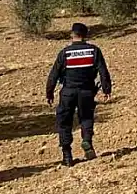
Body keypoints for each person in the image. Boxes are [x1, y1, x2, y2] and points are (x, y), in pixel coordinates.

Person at [46, 22, 112, 167]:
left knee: (64, 122)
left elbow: (54, 75)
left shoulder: (65, 53)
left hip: (68, 92)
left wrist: (49, 93)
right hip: (87, 91)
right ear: (85, 35)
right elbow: (103, 71)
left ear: (72, 35)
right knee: (87, 117)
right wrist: (106, 89)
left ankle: (67, 155)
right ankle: (87, 141)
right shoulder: (94, 51)